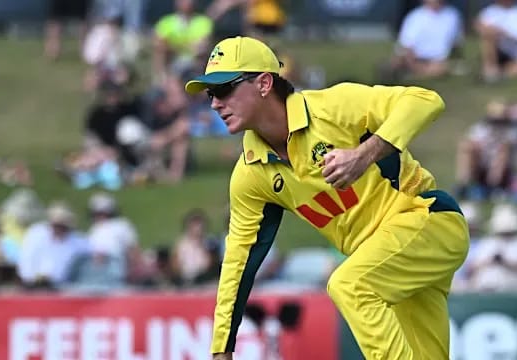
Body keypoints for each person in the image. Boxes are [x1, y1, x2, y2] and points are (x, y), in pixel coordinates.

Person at [185, 36, 469, 360]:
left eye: (224, 89)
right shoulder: (250, 175)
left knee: (349, 285)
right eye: (210, 94)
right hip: (385, 259)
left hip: (429, 219)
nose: (214, 104)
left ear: (264, 83)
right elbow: (238, 263)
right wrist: (221, 348)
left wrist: (365, 154)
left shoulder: (332, 107)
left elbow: (425, 100)